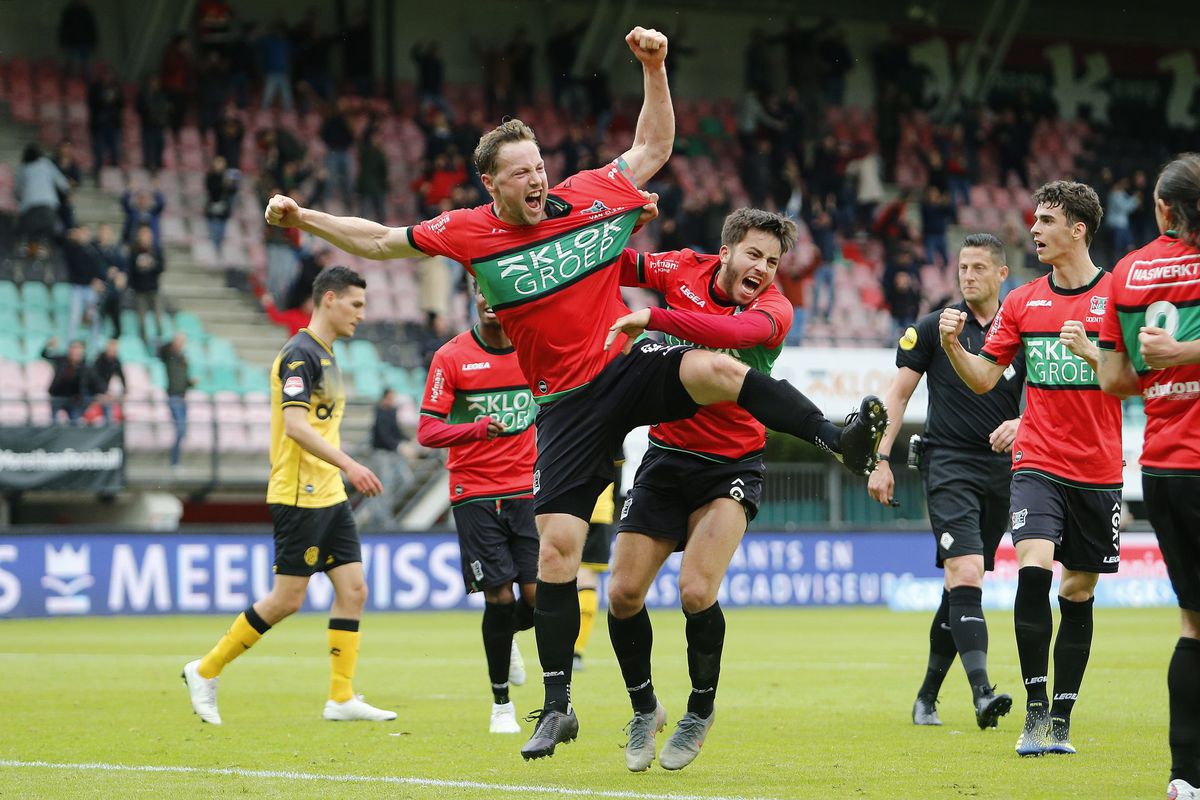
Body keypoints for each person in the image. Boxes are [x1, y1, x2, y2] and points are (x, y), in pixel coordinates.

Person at [264, 27, 886, 759]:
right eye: (518, 172)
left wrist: (654, 68)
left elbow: (652, 147)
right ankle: (557, 707)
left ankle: (834, 436)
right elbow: (377, 241)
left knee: (716, 368)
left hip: (623, 362)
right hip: (564, 404)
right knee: (557, 555)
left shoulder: (590, 194)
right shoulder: (469, 232)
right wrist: (305, 218)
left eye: (538, 166)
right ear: (491, 185)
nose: (535, 179)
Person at [601, 208, 794, 772]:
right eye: (754, 255)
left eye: (773, 261)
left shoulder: (773, 310)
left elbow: (731, 333)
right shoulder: (682, 268)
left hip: (730, 466)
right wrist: (615, 223)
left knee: (694, 591)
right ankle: (644, 709)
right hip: (665, 457)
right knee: (623, 594)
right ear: (726, 250)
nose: (763, 269)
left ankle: (699, 711)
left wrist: (655, 318)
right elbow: (616, 263)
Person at [937, 181, 1121, 756]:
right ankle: (1035, 713)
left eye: (1046, 220)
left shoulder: (1117, 296)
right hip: (1037, 460)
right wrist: (950, 347)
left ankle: (1063, 718)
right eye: (1034, 219)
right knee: (1034, 567)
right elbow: (986, 378)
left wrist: (1095, 354)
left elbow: (1140, 376)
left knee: (1079, 588)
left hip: (1098, 470)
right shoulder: (1022, 302)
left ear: (1077, 230)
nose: (1034, 230)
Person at [182, 266, 394, 725]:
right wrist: (350, 464)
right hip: (301, 492)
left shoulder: (328, 355)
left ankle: (340, 697)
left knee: (354, 590)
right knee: (287, 599)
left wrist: (340, 471)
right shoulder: (299, 356)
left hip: (328, 493)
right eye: (356, 304)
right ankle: (205, 669)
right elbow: (296, 427)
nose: (362, 314)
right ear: (330, 299)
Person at [868, 233, 1022, 730]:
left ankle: (927, 696)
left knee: (959, 586)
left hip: (1002, 471)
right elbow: (898, 396)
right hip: (948, 463)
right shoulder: (934, 328)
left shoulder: (1020, 329)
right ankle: (982, 693)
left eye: (979, 267)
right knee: (967, 571)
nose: (968, 275)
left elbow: (1046, 395)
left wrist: (1025, 425)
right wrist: (880, 458)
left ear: (1002, 274)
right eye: (962, 267)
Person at [1096, 154, 1200, 800]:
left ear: (1161, 209)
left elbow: (1113, 380)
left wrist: (1165, 364)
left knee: (1193, 625)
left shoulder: (1128, 273)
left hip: (1162, 465)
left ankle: (1184, 778)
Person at [417, 283, 538, 735]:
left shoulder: (535, 349)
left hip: (527, 488)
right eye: (479, 291)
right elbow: (427, 431)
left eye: (496, 291)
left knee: (535, 597)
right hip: (474, 491)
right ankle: (501, 704)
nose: (487, 299)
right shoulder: (451, 357)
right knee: (499, 596)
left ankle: (507, 639)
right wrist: (474, 428)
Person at [572, 470, 620, 674]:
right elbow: (616, 474)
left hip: (566, 508)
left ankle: (564, 648)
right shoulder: (613, 437)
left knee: (559, 575)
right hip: (600, 511)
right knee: (587, 579)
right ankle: (576, 651)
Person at [356, 388, 413, 528]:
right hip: (381, 454)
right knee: (384, 486)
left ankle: (382, 510)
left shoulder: (392, 411)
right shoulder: (379, 411)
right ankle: (384, 519)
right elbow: (383, 434)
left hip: (393, 452)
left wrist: (410, 440)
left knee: (406, 480)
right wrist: (399, 446)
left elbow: (395, 431)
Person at [159, 332, 194, 466]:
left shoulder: (183, 359)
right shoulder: (170, 356)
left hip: (183, 397)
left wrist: (191, 383)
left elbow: (184, 380)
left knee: (183, 431)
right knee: (180, 429)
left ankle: (176, 459)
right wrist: (172, 342)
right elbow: (161, 350)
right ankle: (174, 460)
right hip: (173, 396)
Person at [128, 224, 166, 346]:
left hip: (153, 289)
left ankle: (160, 344)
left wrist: (152, 263)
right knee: (142, 321)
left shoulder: (156, 250)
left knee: (159, 319)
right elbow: (130, 270)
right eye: (143, 234)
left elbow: (162, 267)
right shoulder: (134, 251)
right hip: (139, 290)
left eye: (147, 234)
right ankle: (143, 345)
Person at [43, 338, 92, 424]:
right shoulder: (62, 359)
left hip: (73, 398)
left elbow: (92, 382)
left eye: (78, 348)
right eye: (73, 348)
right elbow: (45, 355)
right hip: (58, 394)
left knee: (74, 421)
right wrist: (49, 346)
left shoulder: (84, 366)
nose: (75, 351)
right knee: (54, 422)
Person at [89, 338, 126, 423]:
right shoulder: (99, 360)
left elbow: (122, 376)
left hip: (104, 391)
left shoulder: (115, 361)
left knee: (109, 410)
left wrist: (125, 390)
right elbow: (94, 377)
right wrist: (104, 391)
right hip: (93, 390)